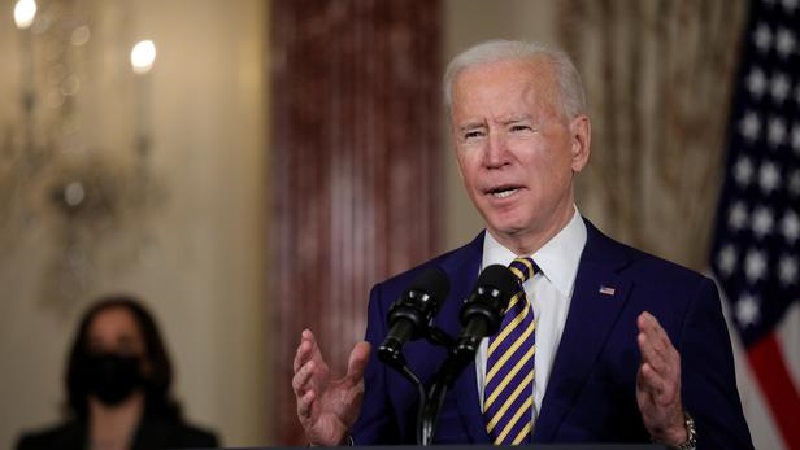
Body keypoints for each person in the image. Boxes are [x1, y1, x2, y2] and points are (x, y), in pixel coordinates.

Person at [292, 40, 754, 448]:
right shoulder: (403, 307)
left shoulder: (675, 301)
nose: (494, 156)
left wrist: (678, 433)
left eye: (518, 128)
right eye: (474, 133)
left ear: (578, 144)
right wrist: (338, 444)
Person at [15, 294, 219, 450]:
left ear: (148, 362)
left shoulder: (194, 445)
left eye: (124, 345)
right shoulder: (36, 447)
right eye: (97, 346)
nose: (109, 355)